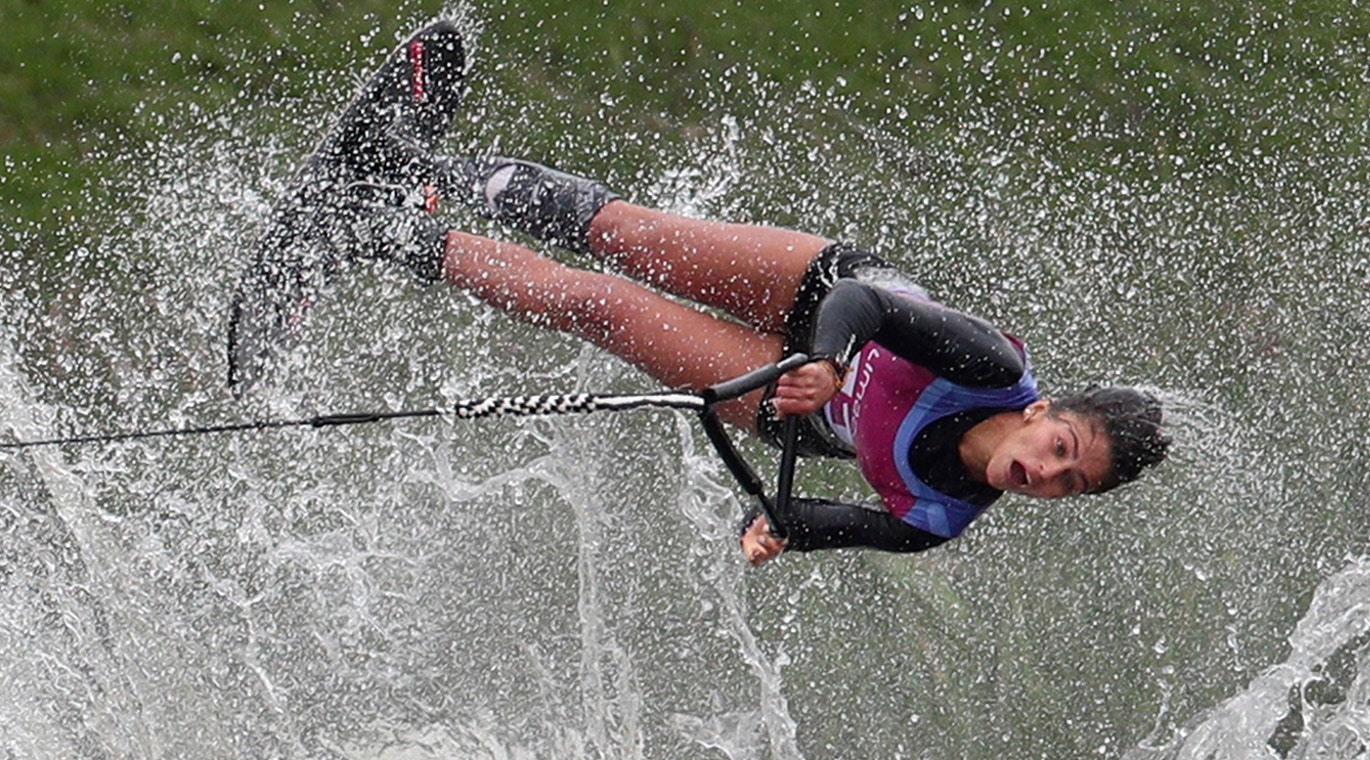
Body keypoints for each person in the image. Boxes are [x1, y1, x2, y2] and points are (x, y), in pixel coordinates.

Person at [328, 135, 1169, 565]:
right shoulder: (990, 369)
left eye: (1068, 484)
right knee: (630, 239)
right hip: (822, 296)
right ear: (1042, 412)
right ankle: (413, 164)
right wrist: (833, 360)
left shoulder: (933, 522)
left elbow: (802, 519)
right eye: (1060, 449)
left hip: (792, 408)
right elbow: (862, 305)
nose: (1044, 473)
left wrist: (765, 529)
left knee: (602, 308)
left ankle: (372, 232)